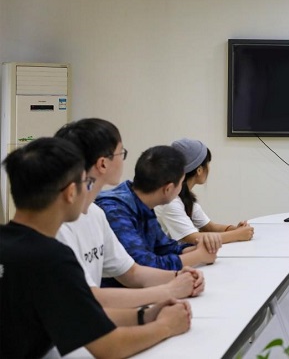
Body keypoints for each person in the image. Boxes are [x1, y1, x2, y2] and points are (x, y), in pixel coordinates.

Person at [0, 137, 191, 358]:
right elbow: (109, 347)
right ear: (71, 192)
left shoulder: (16, 245)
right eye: (87, 183)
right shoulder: (51, 258)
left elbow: (77, 316)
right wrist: (166, 326)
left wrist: (144, 316)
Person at [55, 118, 205, 308]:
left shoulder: (95, 213)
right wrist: (169, 290)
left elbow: (132, 272)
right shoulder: (60, 223)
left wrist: (179, 276)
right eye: (121, 152)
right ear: (103, 164)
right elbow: (88, 298)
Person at [96, 145, 218, 280]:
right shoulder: (115, 211)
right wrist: (198, 256)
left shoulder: (142, 201)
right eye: (181, 183)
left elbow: (163, 246)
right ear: (168, 189)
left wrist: (198, 248)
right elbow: (145, 267)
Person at [155, 138, 253, 253]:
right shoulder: (170, 202)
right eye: (208, 164)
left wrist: (235, 229)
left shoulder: (185, 197)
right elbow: (194, 238)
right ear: (199, 170)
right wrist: (237, 235)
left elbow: (209, 227)